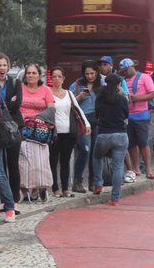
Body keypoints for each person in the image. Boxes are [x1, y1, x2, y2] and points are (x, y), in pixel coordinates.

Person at [49, 66, 91, 197]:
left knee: (65, 161)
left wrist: (87, 124)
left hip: (69, 132)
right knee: (53, 161)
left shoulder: (69, 94)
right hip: (54, 133)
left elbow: (78, 109)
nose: (57, 79)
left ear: (63, 79)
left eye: (59, 76)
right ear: (51, 79)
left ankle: (65, 188)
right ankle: (55, 188)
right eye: (54, 76)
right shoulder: (48, 93)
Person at [19, 64, 55, 201]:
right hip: (22, 128)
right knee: (23, 161)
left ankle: (42, 187)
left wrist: (40, 118)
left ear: (39, 76)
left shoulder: (46, 90)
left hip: (40, 129)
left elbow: (51, 108)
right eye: (28, 73)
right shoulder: (20, 89)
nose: (31, 75)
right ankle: (23, 188)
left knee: (40, 160)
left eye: (34, 73)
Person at [92, 74, 129, 205]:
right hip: (121, 135)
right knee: (118, 167)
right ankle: (115, 198)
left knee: (97, 157)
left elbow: (97, 115)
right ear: (118, 85)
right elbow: (126, 114)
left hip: (103, 135)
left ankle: (98, 184)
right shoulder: (122, 99)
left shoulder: (100, 98)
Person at [0, 53, 23, 208]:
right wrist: (6, 104)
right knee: (0, 166)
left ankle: (15, 199)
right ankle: (5, 200)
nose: (2, 68)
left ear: (8, 66)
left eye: (4, 65)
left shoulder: (15, 82)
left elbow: (17, 104)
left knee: (13, 163)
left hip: (13, 127)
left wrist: (2, 105)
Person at [120, 58, 154, 180]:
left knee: (143, 142)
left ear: (132, 67)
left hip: (141, 115)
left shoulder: (145, 77)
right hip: (127, 116)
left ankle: (148, 168)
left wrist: (138, 98)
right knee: (131, 144)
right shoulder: (123, 81)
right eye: (122, 71)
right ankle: (136, 168)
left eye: (125, 70)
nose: (124, 73)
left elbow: (153, 94)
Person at [69, 60, 103, 192]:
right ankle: (77, 181)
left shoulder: (103, 83)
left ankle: (93, 181)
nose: (90, 76)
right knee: (85, 149)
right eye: (87, 74)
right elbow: (70, 102)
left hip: (99, 119)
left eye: (92, 73)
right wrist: (80, 97)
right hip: (83, 120)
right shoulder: (77, 85)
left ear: (97, 72)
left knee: (96, 151)